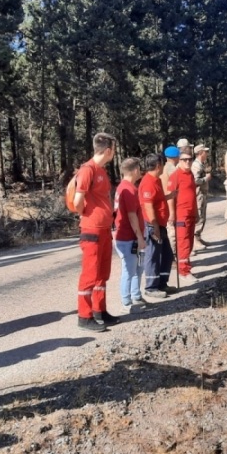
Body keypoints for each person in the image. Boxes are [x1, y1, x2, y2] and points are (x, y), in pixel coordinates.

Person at [70, 133, 119, 331]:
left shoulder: (101, 170)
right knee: (90, 273)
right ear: (108, 150)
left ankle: (100, 310)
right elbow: (77, 201)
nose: (114, 153)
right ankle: (84, 316)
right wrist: (87, 216)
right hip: (92, 230)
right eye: (114, 149)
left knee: (102, 273)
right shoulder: (88, 170)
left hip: (105, 229)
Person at [113, 157, 147, 313]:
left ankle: (136, 295)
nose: (140, 171)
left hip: (129, 237)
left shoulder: (124, 187)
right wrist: (139, 237)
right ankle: (127, 302)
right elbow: (132, 216)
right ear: (134, 170)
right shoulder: (129, 190)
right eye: (139, 169)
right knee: (129, 269)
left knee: (137, 268)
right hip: (128, 237)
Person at [140, 153, 174, 298]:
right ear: (158, 165)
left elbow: (158, 200)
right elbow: (148, 206)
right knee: (153, 256)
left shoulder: (157, 180)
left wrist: (171, 196)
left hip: (161, 224)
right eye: (163, 163)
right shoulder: (148, 182)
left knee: (167, 255)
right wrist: (154, 226)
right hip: (152, 226)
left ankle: (162, 283)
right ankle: (151, 287)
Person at [168, 149, 199, 284]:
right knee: (183, 243)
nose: (187, 162)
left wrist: (196, 212)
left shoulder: (190, 174)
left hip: (191, 214)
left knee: (190, 243)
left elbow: (193, 194)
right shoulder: (175, 175)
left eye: (189, 159)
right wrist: (172, 214)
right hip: (181, 215)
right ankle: (183, 271)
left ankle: (186, 268)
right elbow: (170, 196)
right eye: (184, 160)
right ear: (179, 161)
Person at [191, 144, 211, 248]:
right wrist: (205, 179)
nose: (207, 153)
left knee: (203, 215)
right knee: (199, 215)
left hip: (202, 193)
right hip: (198, 193)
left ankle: (198, 237)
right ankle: (195, 239)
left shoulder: (201, 164)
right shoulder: (196, 165)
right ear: (200, 153)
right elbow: (195, 180)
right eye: (205, 152)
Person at [161, 146, 181, 255]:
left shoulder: (164, 168)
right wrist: (172, 212)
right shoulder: (173, 170)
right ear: (176, 157)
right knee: (173, 231)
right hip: (171, 203)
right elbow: (172, 191)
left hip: (166, 202)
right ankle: (173, 255)